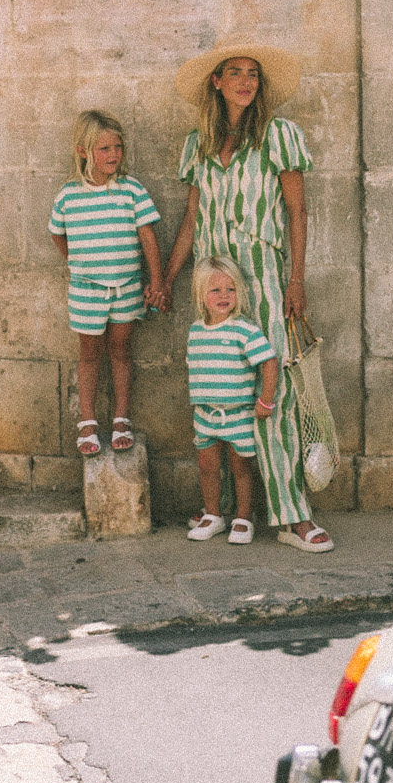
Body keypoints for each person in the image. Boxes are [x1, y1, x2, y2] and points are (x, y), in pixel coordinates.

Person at [162, 43, 335, 552]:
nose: (245, 82)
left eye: (252, 74)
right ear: (217, 81)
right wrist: (169, 277)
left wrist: (296, 280)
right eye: (234, 73)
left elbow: (296, 212)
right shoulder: (198, 145)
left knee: (272, 393)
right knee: (224, 394)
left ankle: (293, 516)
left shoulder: (279, 136)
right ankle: (226, 511)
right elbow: (193, 217)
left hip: (261, 278)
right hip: (213, 284)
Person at [49, 110, 165, 457]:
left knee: (121, 351)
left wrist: (156, 279)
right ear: (83, 151)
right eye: (104, 148)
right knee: (88, 355)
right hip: (87, 290)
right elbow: (58, 234)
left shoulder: (131, 190)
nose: (113, 154)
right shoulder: (69, 195)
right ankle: (87, 421)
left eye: (118, 146)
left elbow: (148, 236)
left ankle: (121, 418)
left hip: (126, 287)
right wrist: (78, 262)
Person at [185, 256, 277, 547]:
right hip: (205, 414)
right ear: (201, 295)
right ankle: (213, 515)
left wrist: (266, 401)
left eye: (230, 289)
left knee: (241, 469)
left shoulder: (244, 329)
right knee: (208, 468)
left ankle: (243, 517)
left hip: (238, 414)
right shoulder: (195, 331)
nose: (224, 296)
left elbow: (269, 362)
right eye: (215, 290)